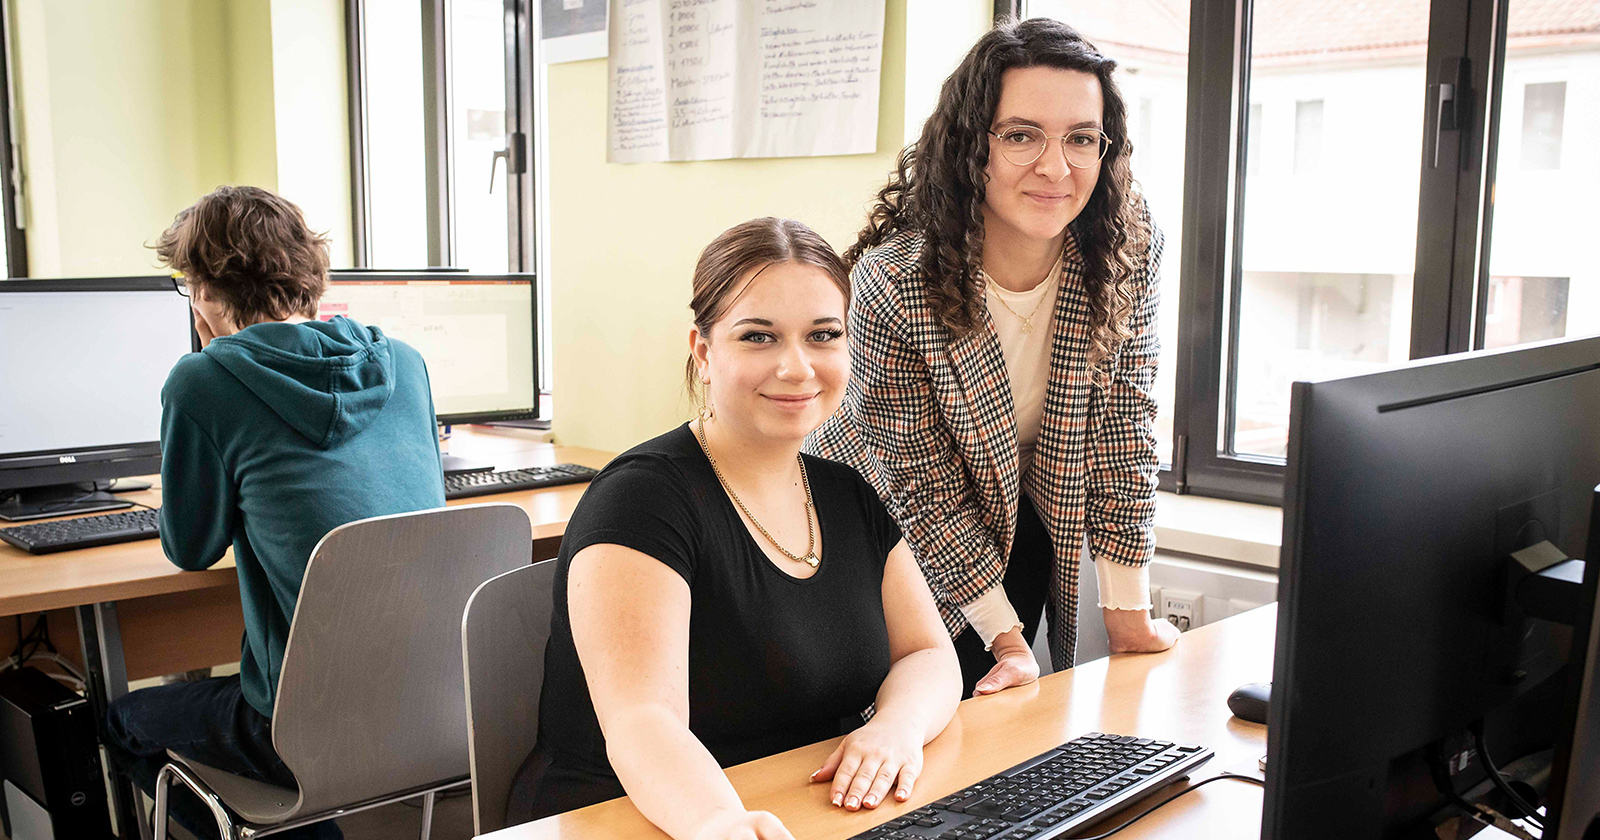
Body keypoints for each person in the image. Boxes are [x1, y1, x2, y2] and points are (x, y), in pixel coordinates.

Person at [507, 218, 962, 840]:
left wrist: (894, 728)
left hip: (797, 805)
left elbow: (929, 654)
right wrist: (717, 821)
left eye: (823, 335)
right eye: (759, 337)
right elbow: (643, 720)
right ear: (703, 349)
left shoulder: (846, 491)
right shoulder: (641, 499)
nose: (798, 367)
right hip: (633, 815)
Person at [809, 18, 1180, 701]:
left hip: (1019, 514)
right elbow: (920, 485)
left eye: (1081, 139)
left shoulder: (1126, 248)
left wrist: (1129, 613)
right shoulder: (896, 283)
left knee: (997, 743)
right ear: (969, 146)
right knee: (893, 734)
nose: (1055, 167)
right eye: (1020, 135)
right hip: (878, 527)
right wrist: (1003, 636)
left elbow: (1127, 426)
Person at [103, 186, 446, 840]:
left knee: (123, 721)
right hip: (437, 707)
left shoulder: (202, 381)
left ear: (204, 290)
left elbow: (192, 547)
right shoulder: (405, 363)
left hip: (299, 730)